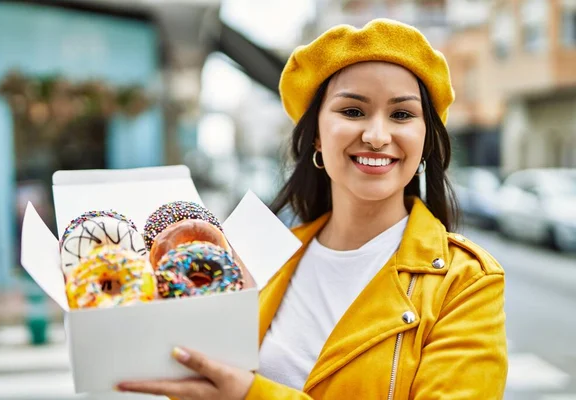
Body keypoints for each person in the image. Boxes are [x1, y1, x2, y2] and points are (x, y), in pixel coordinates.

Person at [116, 18, 508, 399]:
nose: (376, 135)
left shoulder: (467, 283)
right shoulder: (262, 259)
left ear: (425, 139)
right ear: (317, 136)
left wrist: (251, 396)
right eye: (352, 111)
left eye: (402, 114)